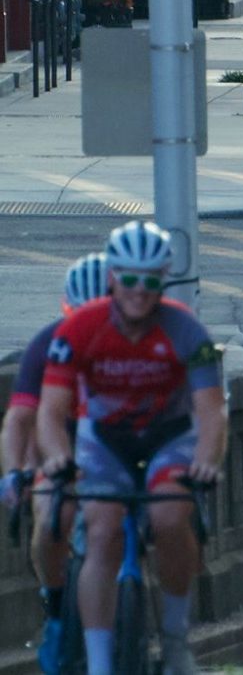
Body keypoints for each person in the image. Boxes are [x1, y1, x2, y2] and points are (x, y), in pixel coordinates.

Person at [37, 223, 227, 675]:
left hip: (169, 438)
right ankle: (100, 664)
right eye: (129, 280)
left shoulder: (186, 330)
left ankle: (177, 640)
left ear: (163, 280)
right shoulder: (81, 328)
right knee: (100, 530)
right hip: (105, 442)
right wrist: (58, 456)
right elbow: (50, 411)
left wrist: (205, 460)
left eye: (152, 281)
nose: (140, 292)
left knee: (169, 518)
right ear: (112, 278)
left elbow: (211, 412)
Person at [0, 254, 106, 674]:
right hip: (59, 448)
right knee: (52, 514)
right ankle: (56, 599)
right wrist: (14, 473)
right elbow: (19, 420)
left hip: (115, 450)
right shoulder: (47, 344)